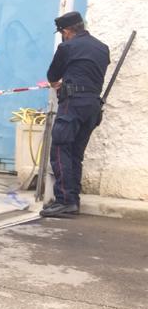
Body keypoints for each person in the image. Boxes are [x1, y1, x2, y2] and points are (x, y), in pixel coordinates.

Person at [40, 11, 111, 218]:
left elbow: (53, 76)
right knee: (75, 155)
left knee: (60, 149)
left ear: (66, 31)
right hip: (93, 106)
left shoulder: (67, 47)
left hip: (72, 104)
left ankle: (65, 201)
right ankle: (72, 200)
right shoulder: (102, 48)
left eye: (62, 33)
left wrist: (57, 84)